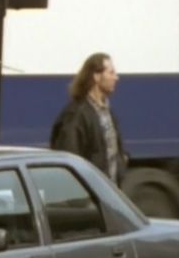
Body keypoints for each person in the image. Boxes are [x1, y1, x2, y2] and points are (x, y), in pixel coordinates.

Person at [50, 52, 128, 186]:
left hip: (108, 194)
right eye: (111, 73)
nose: (116, 77)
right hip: (89, 198)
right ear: (97, 76)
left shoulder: (108, 113)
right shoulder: (76, 115)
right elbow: (70, 160)